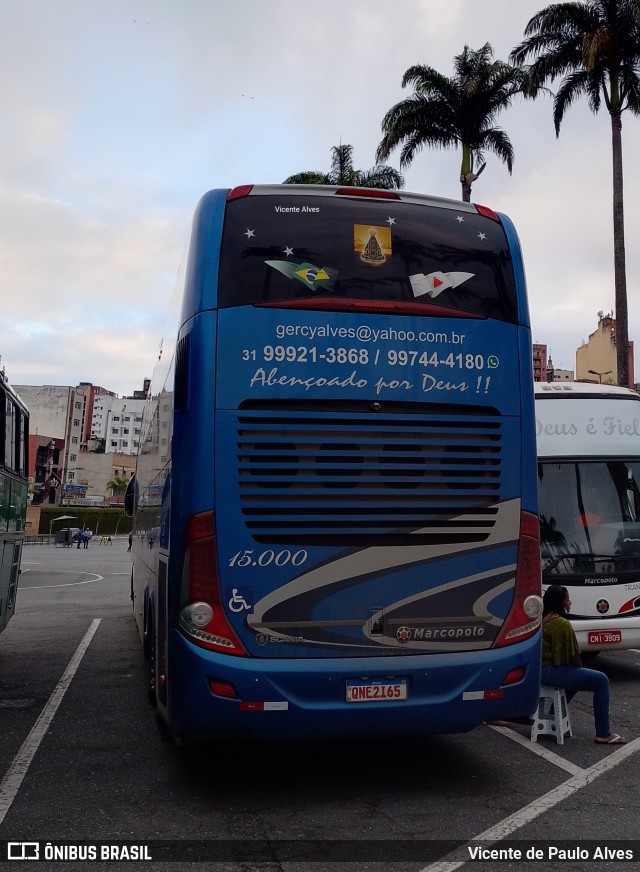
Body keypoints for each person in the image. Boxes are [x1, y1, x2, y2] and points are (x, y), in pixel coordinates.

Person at [541, 585, 625, 744]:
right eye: (566, 599)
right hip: (550, 671)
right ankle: (603, 733)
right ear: (559, 602)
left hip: (539, 671)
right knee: (600, 680)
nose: (569, 603)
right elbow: (574, 658)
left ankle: (554, 715)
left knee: (576, 679)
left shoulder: (542, 618)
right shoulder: (561, 623)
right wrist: (580, 671)